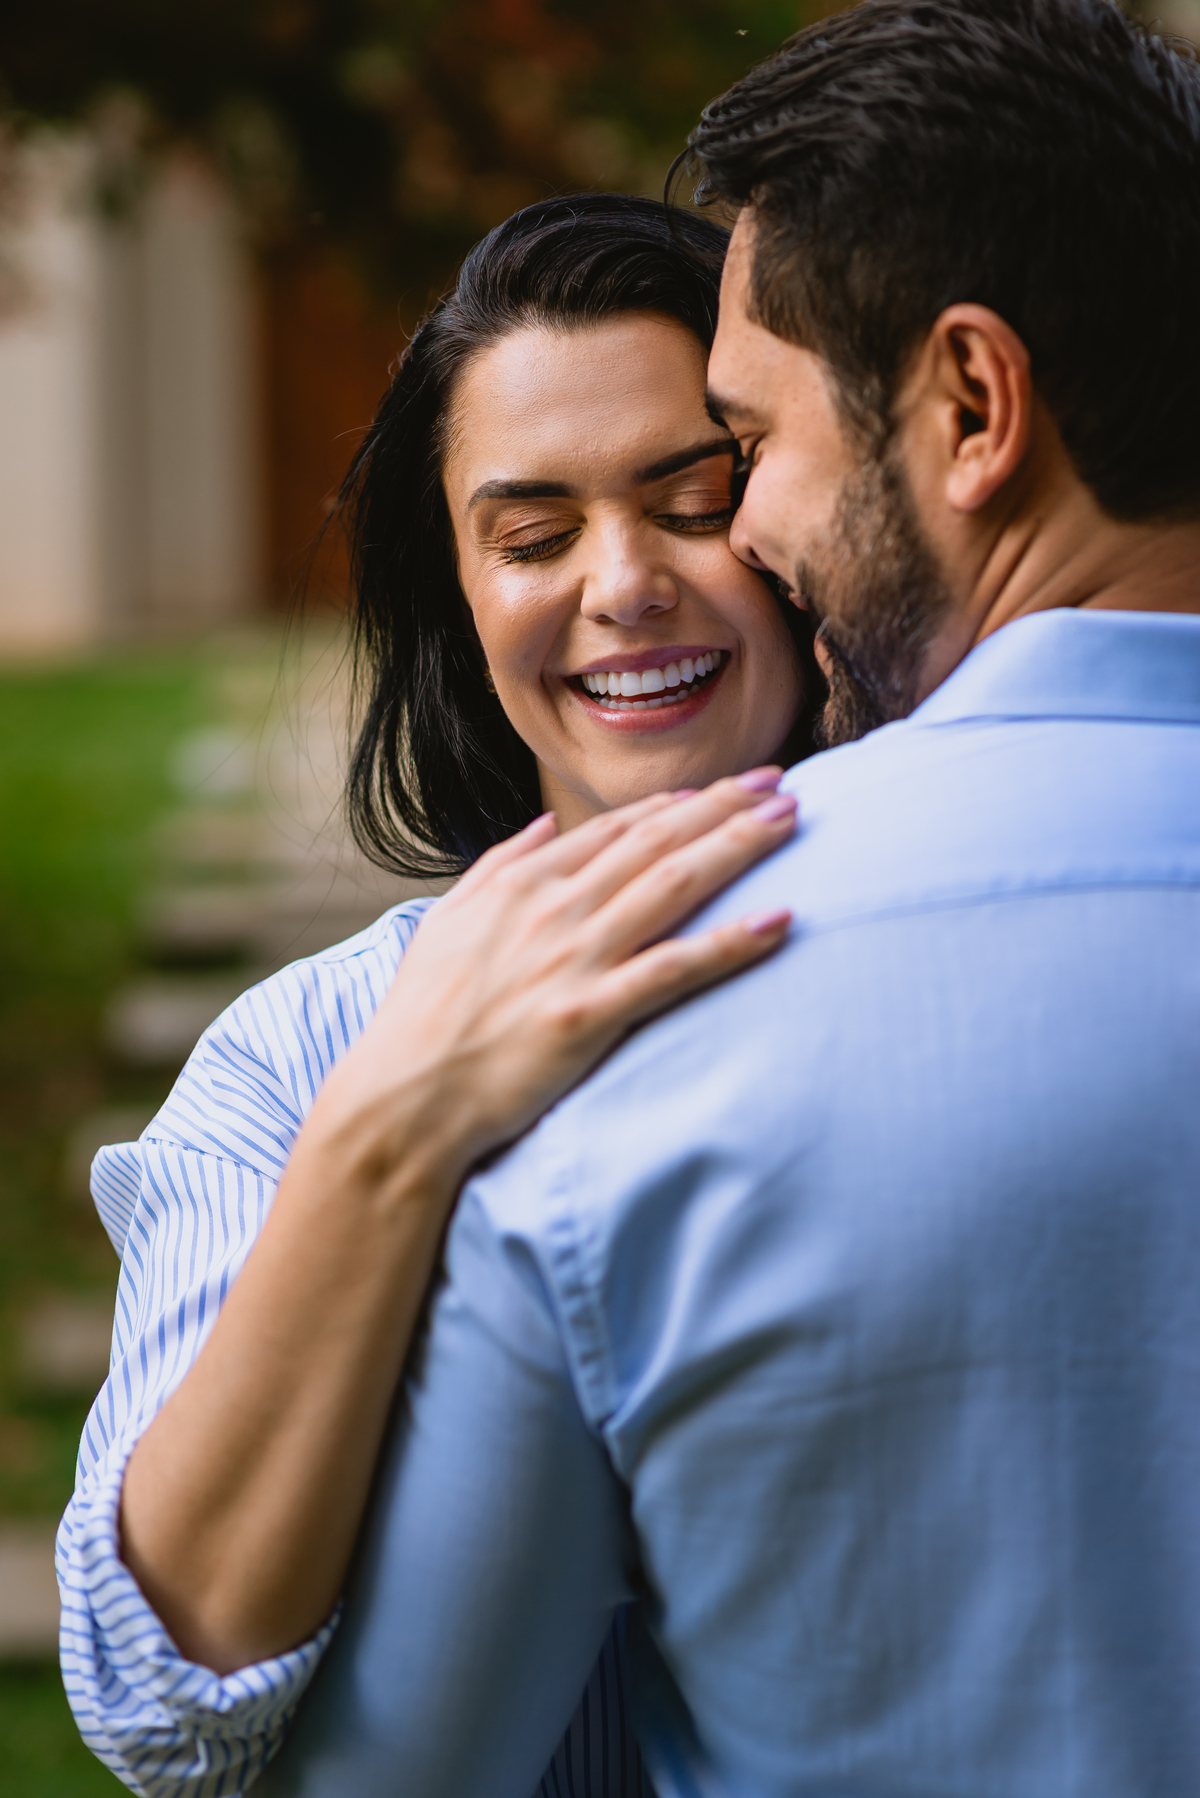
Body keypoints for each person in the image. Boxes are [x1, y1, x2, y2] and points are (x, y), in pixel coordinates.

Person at [253, 2, 1200, 1794]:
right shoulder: (417, 1026)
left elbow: (390, 1771)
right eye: (530, 534)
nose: (735, 537)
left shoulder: (635, 1032)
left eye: (734, 455)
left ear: (973, 408)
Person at [57, 195, 822, 1795]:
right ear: (461, 597)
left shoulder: (936, 963)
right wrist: (395, 1128)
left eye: (694, 501)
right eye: (533, 538)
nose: (622, 584)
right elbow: (156, 1697)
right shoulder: (297, 1053)